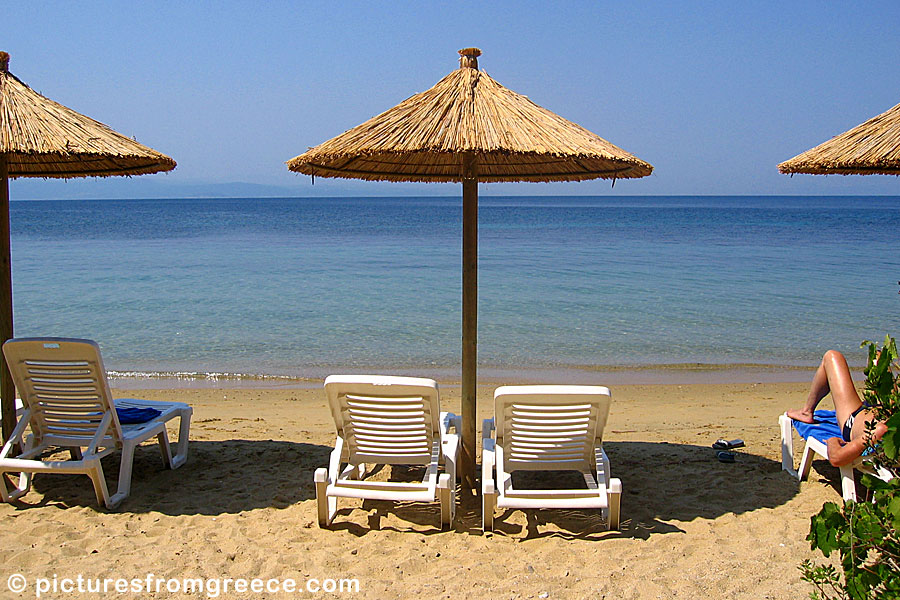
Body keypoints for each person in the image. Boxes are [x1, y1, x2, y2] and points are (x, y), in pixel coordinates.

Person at [787, 349, 888, 467]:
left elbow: (837, 458)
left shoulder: (880, 430)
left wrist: (833, 441)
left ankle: (807, 411)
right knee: (878, 356)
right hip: (880, 409)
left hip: (853, 418)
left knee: (832, 357)